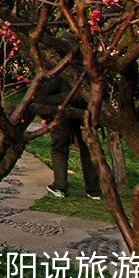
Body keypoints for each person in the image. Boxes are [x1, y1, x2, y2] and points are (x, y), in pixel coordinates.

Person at [35, 72, 102, 200]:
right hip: (85, 110)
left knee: (59, 148)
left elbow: (43, 95)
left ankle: (60, 187)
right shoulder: (86, 69)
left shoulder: (58, 70)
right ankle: (94, 190)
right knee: (87, 150)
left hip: (63, 112)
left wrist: (45, 115)